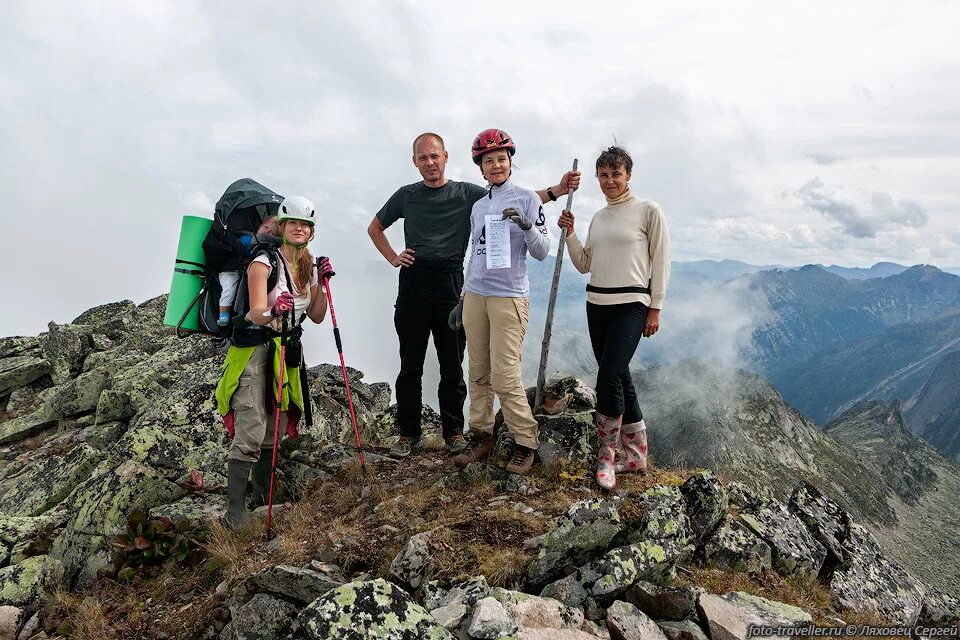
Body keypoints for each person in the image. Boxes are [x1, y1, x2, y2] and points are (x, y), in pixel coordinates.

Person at [368, 132, 580, 458]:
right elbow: (375, 228)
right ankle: (411, 434)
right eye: (423, 157)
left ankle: (456, 433)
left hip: (456, 280)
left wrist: (555, 191)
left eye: (434, 155)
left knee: (455, 365)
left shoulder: (466, 193)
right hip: (421, 283)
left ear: (445, 157)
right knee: (413, 365)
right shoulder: (409, 196)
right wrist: (394, 257)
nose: (429, 162)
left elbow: (515, 199)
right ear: (415, 161)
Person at [215, 196, 335, 528]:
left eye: (305, 224)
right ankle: (235, 515)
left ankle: (262, 498)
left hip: (284, 349)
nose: (299, 228)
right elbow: (256, 313)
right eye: (293, 223)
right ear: (281, 227)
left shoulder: (308, 265)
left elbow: (318, 315)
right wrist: (275, 310)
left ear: (311, 231)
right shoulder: (263, 262)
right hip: (253, 349)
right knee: (252, 426)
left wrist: (322, 285)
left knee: (274, 425)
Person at [558, 146, 671, 490]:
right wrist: (570, 234)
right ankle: (636, 456)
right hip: (597, 302)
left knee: (607, 375)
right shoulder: (600, 217)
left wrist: (656, 306)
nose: (609, 181)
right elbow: (584, 264)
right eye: (603, 175)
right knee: (620, 375)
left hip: (632, 303)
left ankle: (607, 455)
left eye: (616, 174)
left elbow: (662, 259)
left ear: (628, 175)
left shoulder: (648, 211)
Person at [447, 128, 550, 474]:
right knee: (478, 371)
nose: (495, 165)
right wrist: (463, 297)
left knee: (504, 376)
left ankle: (525, 441)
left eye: (501, 159)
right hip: (477, 295)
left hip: (509, 297)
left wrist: (526, 227)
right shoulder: (478, 206)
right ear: (480, 167)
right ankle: (482, 434)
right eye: (488, 161)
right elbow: (474, 254)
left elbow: (542, 252)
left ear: (510, 161)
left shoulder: (526, 199)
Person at [217, 215, 280, 326]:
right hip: (232, 270)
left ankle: (253, 318)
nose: (267, 233)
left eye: (272, 233)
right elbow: (237, 251)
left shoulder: (268, 246)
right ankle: (223, 313)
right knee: (229, 287)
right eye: (266, 228)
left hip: (247, 273)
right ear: (259, 226)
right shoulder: (247, 239)